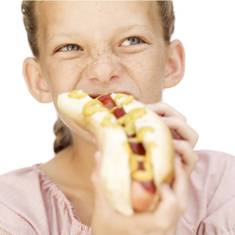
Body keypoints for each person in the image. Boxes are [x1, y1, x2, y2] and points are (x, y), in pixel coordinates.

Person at [0, 1, 234, 235]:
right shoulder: (11, 211)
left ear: (171, 63)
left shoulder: (221, 189)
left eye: (132, 41)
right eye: (70, 47)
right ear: (39, 80)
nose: (103, 71)